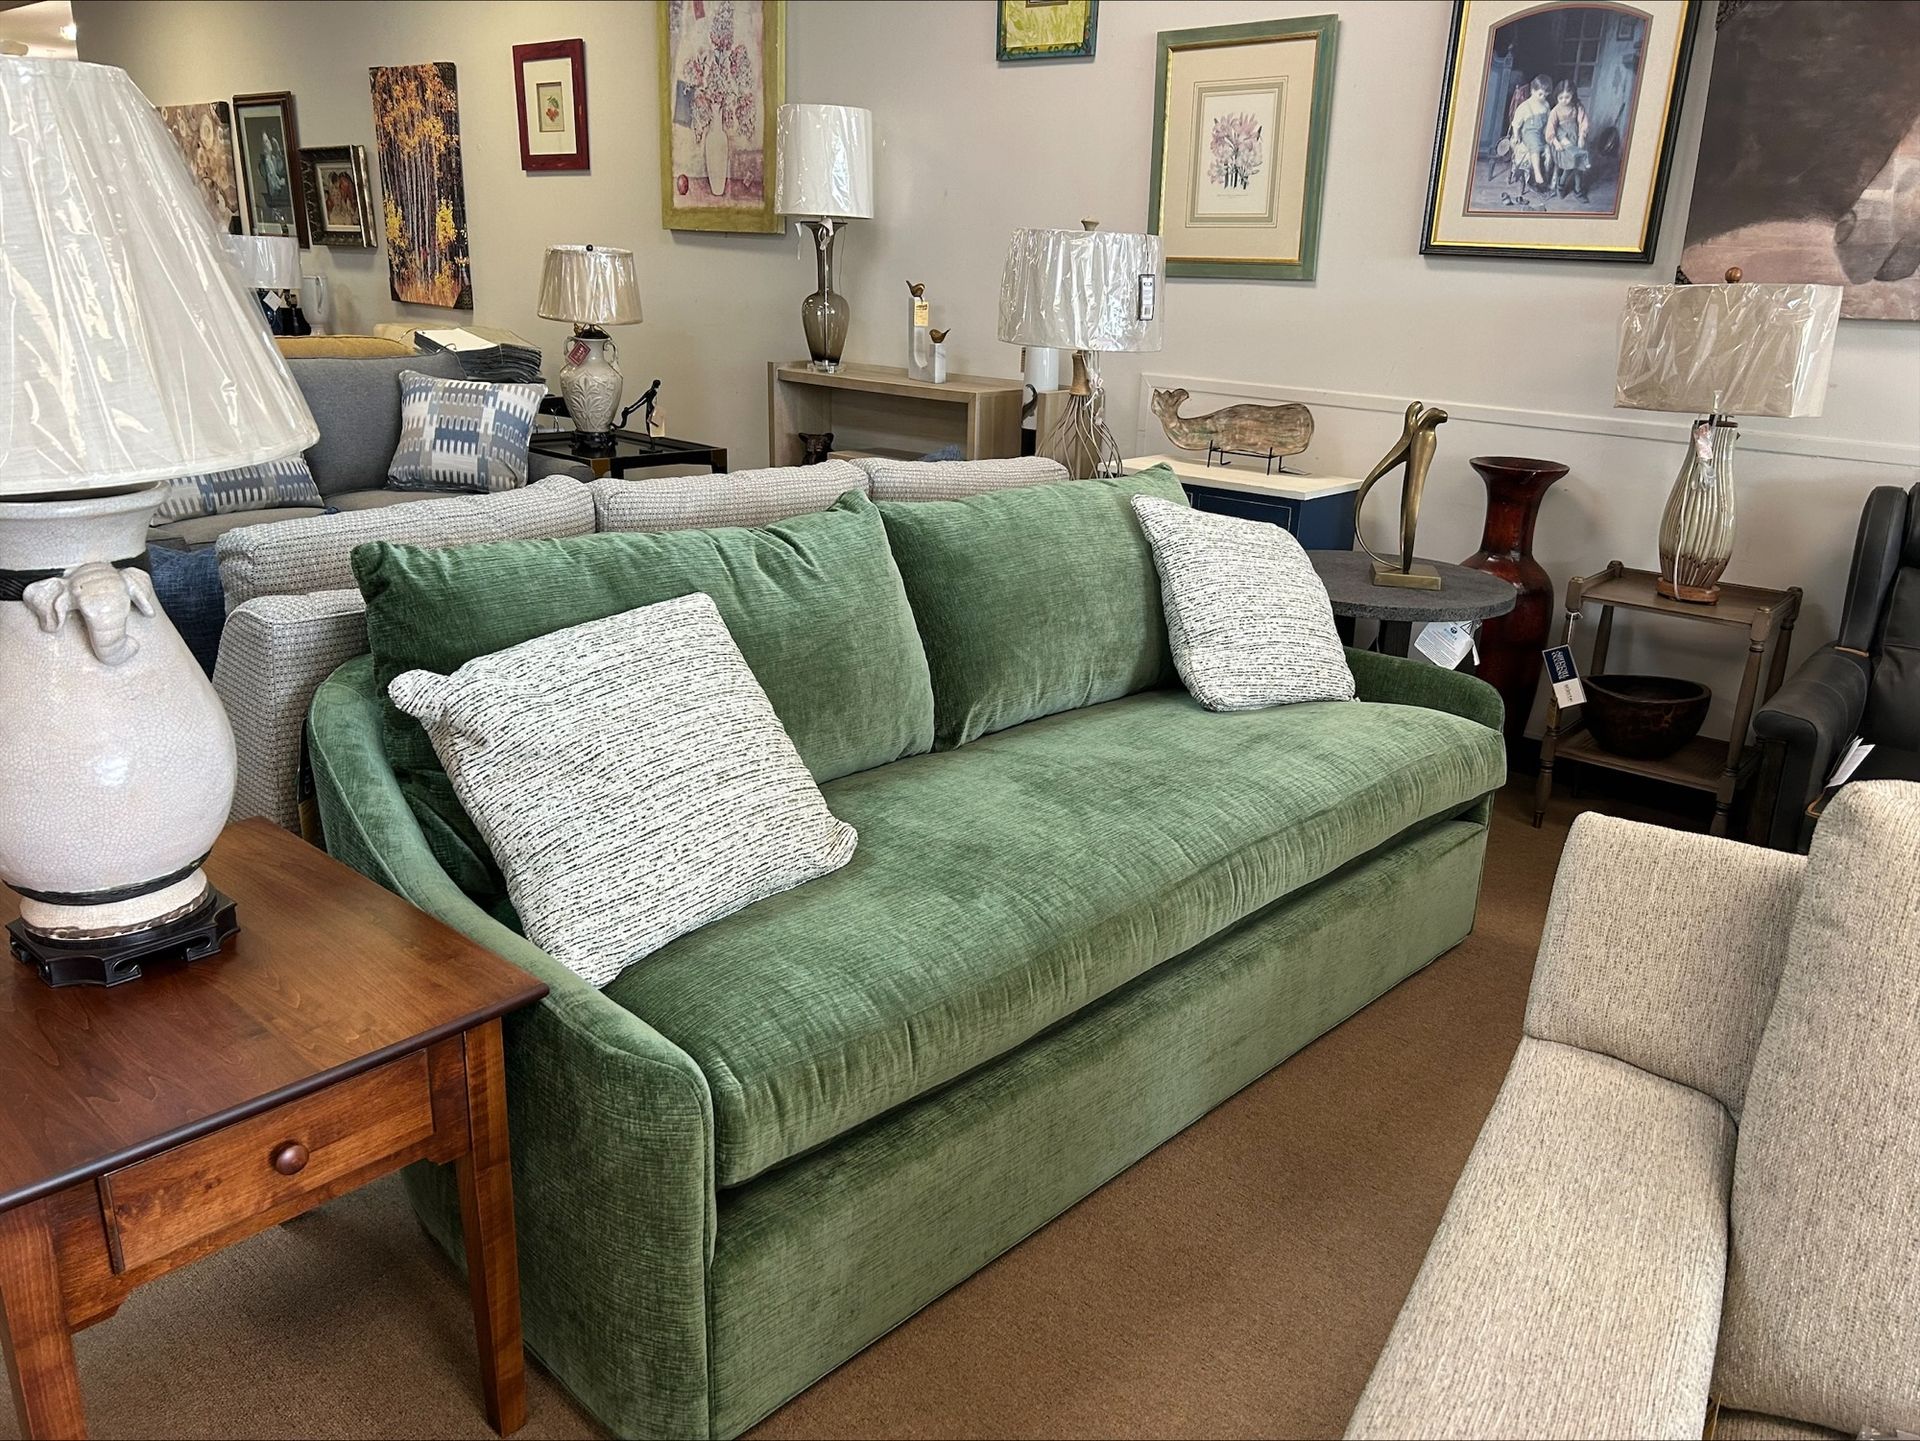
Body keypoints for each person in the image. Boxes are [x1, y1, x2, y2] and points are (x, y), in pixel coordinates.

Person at [1545, 79, 1592, 200]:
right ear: (1557, 97)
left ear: (1573, 95)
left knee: (1579, 166)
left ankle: (1578, 190)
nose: (1564, 100)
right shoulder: (1555, 111)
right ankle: (1561, 184)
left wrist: (1582, 136)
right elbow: (1550, 129)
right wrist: (1555, 142)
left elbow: (1583, 122)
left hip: (1576, 138)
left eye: (1567, 97)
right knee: (1570, 166)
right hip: (1563, 140)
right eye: (1560, 98)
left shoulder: (1577, 106)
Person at [1506, 74, 1554, 191]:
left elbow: (1548, 120)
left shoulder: (1546, 105)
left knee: (1550, 148)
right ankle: (1537, 174)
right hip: (1528, 133)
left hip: (1541, 132)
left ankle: (1548, 177)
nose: (1543, 97)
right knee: (1535, 145)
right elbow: (1516, 124)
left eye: (1546, 95)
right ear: (1533, 91)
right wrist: (1516, 136)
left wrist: (1548, 133)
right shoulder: (1525, 107)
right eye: (1540, 94)